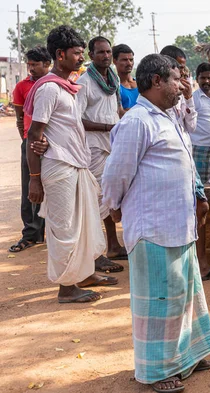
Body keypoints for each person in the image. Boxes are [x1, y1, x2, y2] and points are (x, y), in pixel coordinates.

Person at [102, 53, 210, 392]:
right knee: (158, 301)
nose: (181, 86)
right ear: (156, 82)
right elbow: (115, 175)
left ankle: (187, 356)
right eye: (175, 79)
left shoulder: (167, 117)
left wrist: (198, 194)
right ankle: (157, 372)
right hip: (152, 228)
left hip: (178, 225)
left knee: (183, 295)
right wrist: (114, 208)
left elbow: (185, 162)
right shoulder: (137, 121)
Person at [25, 25, 115, 303]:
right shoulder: (50, 89)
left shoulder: (67, 87)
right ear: (60, 55)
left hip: (76, 163)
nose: (81, 58)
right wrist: (35, 178)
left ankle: (84, 273)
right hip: (59, 166)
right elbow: (34, 134)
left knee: (83, 224)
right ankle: (66, 288)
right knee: (64, 229)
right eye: (76, 54)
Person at [76, 36, 127, 272]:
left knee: (110, 197)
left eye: (108, 52)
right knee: (96, 201)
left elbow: (116, 110)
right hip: (94, 147)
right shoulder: (85, 82)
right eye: (100, 53)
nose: (106, 56)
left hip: (114, 145)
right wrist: (108, 127)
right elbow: (77, 120)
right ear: (90, 56)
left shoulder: (113, 79)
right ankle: (94, 254)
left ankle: (113, 245)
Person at [9, 46, 51, 253]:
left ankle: (53, 233)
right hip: (31, 142)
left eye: (35, 64)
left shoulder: (55, 84)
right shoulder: (21, 86)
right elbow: (19, 118)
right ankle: (31, 234)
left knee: (54, 186)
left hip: (53, 142)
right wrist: (27, 140)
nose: (31, 68)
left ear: (47, 64)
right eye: (29, 64)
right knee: (30, 187)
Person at [160, 45, 197, 133]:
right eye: (180, 68)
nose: (183, 72)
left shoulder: (182, 93)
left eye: (183, 68)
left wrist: (189, 99)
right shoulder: (157, 95)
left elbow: (191, 127)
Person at [112, 43, 138, 110]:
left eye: (131, 60)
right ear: (115, 61)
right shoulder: (113, 87)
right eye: (124, 60)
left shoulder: (141, 83)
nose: (129, 63)